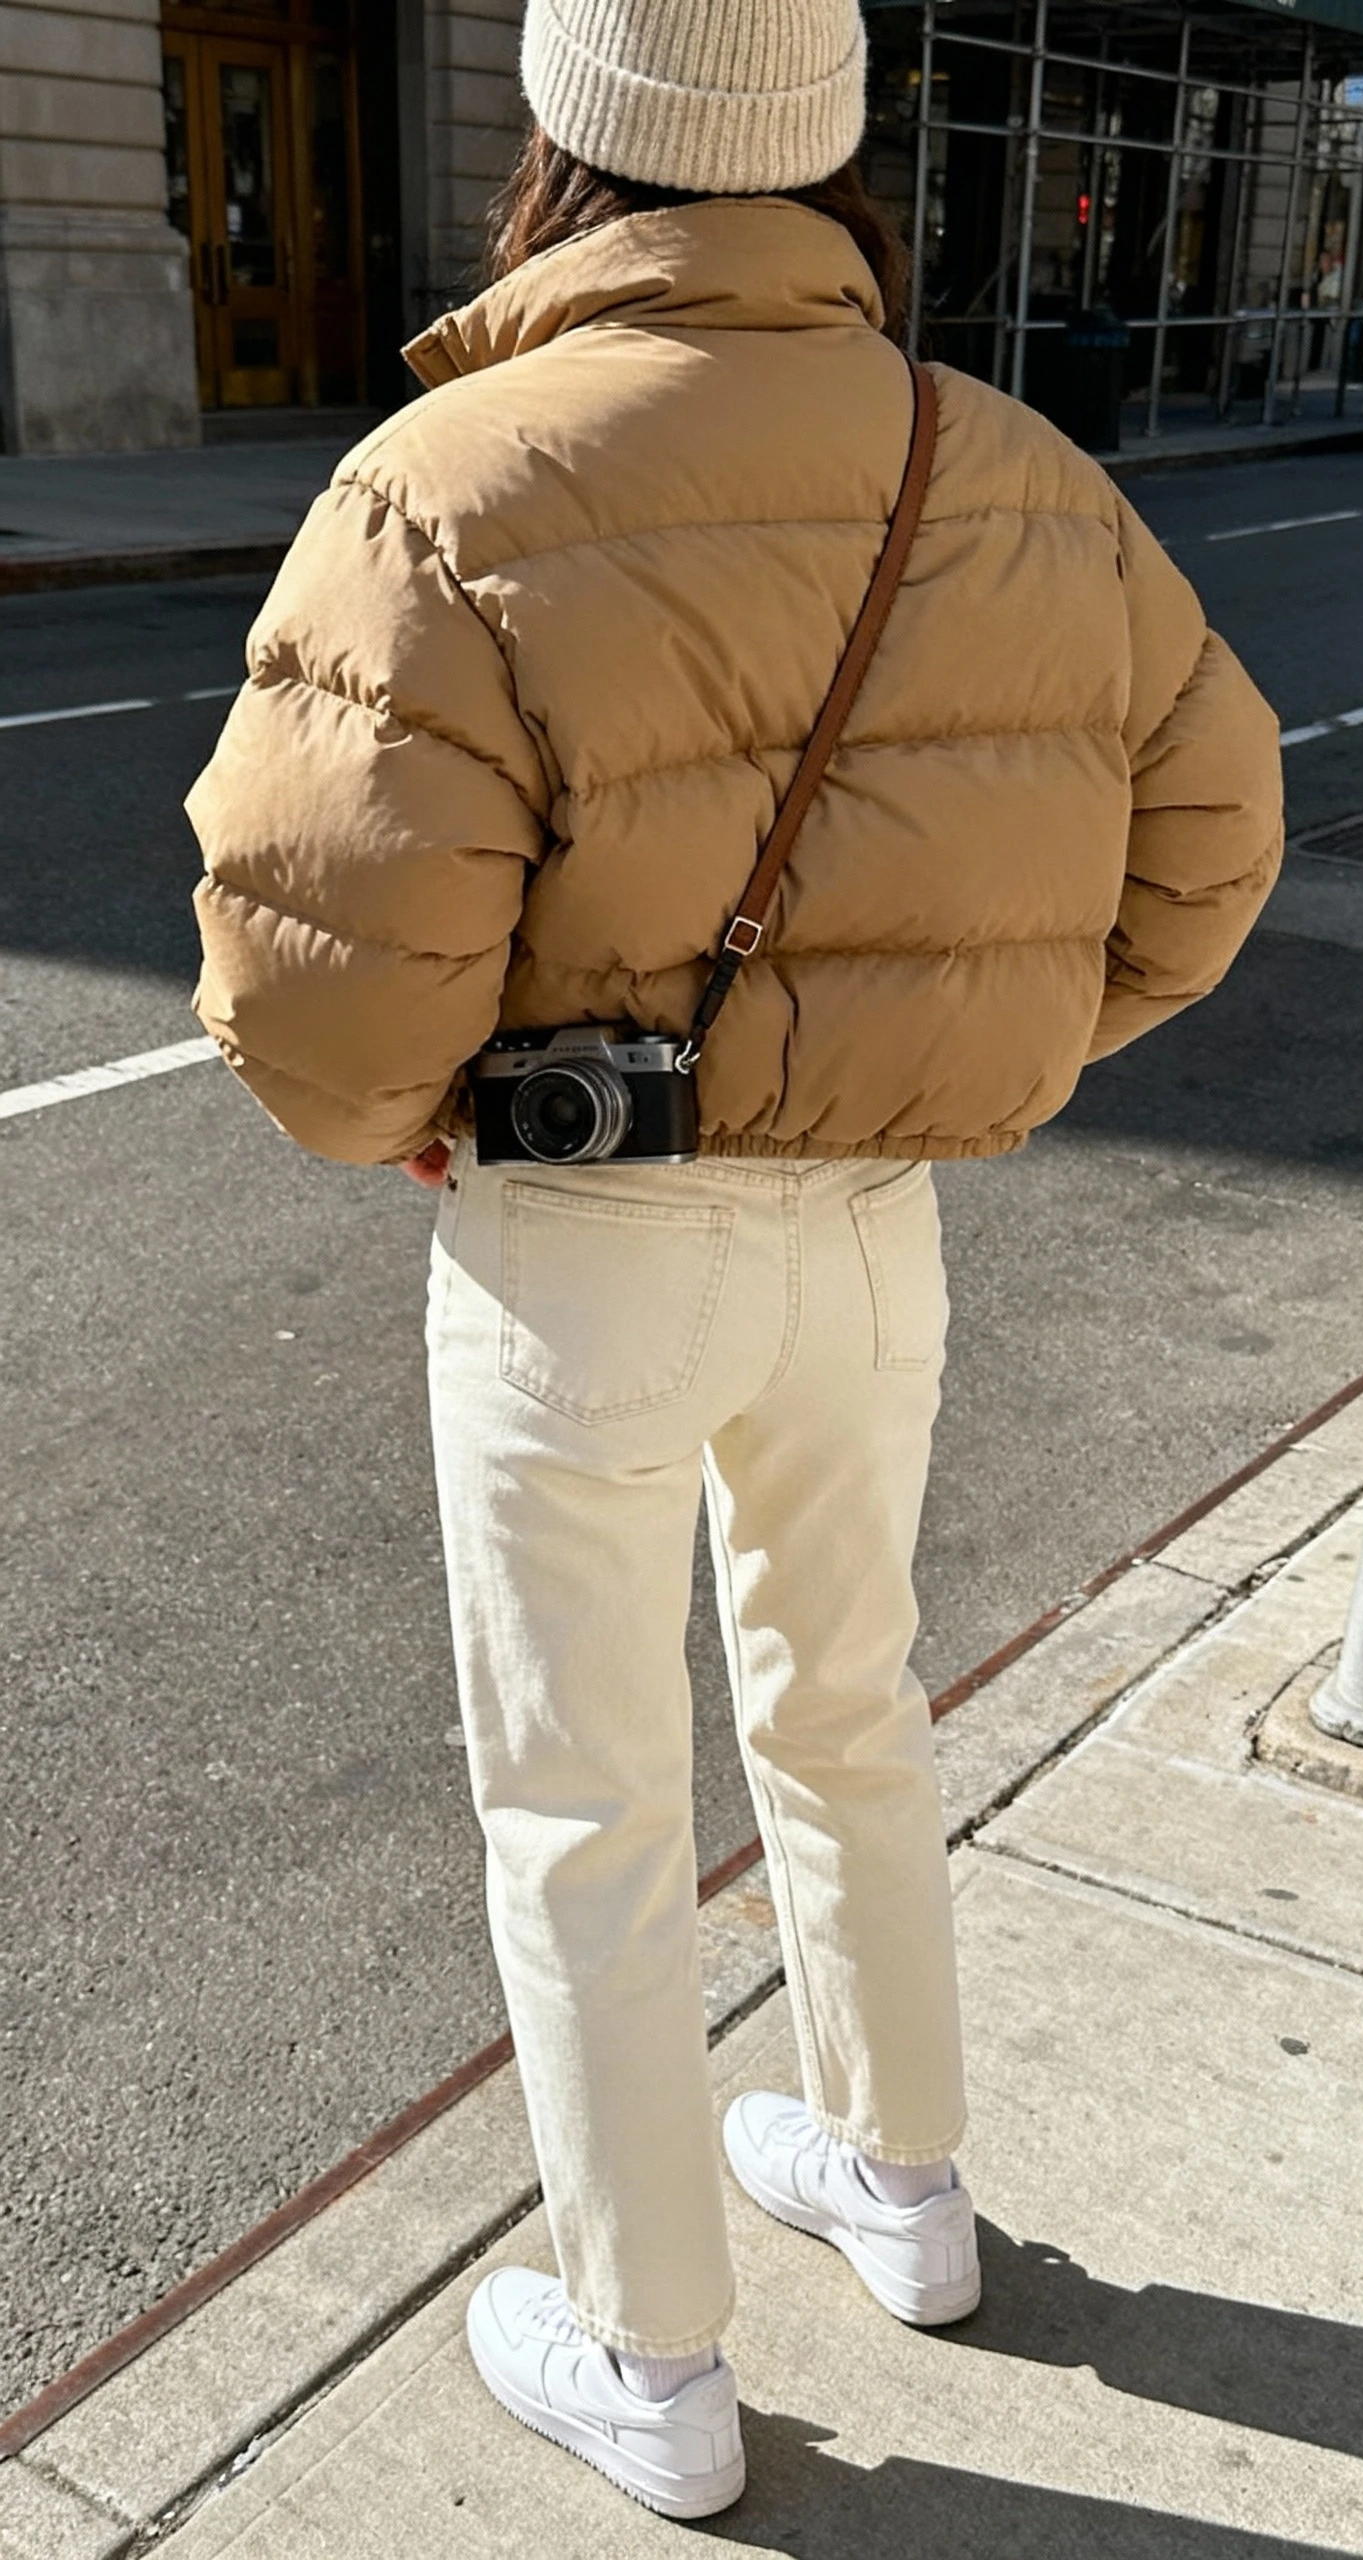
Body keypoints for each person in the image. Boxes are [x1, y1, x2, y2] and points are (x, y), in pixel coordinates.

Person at [186, 0, 1283, 2521]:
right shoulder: (1002, 468)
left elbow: (314, 954)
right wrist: (973, 1048)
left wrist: (415, 1129)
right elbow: (1212, 843)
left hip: (582, 1240)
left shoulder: (452, 478)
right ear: (832, 149)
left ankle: (651, 2348)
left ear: (566, 139)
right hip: (874, 1228)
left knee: (582, 1796)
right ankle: (906, 2190)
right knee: (851, 1696)